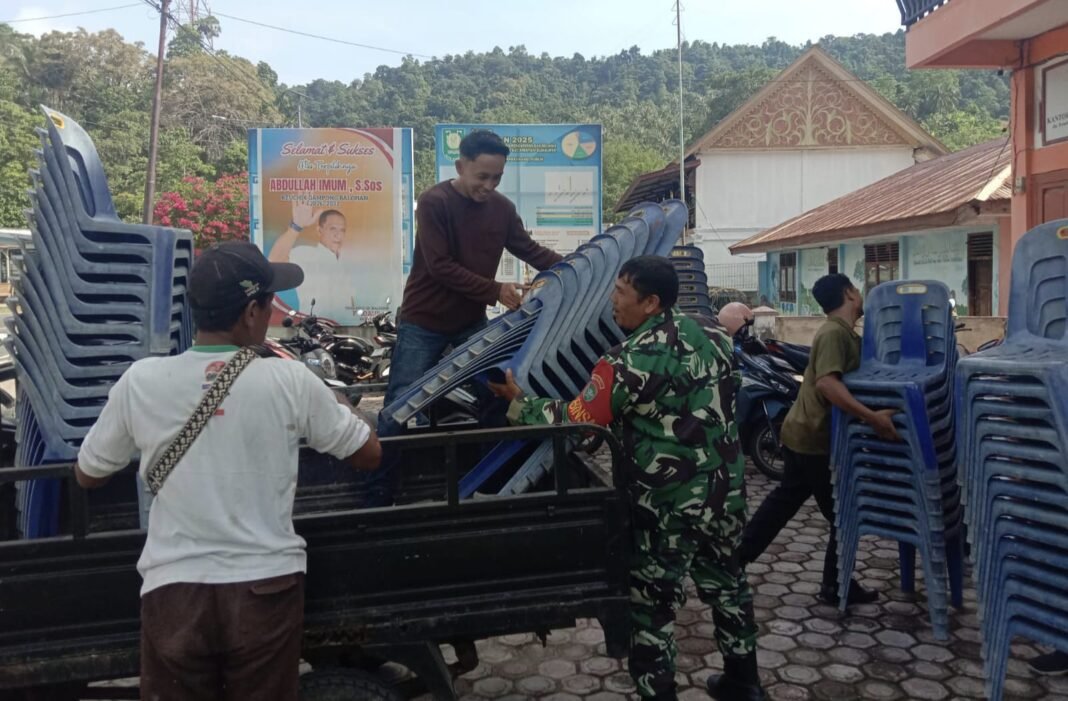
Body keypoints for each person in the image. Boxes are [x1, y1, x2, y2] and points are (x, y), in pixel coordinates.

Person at [75, 241, 381, 701]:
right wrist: (334, 398)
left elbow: (88, 475)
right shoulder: (290, 380)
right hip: (265, 591)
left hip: (174, 592)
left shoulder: (140, 381)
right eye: (268, 304)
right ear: (251, 314)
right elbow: (368, 454)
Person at [488, 256, 763, 701]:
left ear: (651, 302)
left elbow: (580, 421)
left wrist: (520, 403)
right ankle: (745, 683)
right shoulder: (714, 335)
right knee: (729, 586)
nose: (612, 301)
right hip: (724, 494)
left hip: (666, 506)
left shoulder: (625, 360)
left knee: (653, 608)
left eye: (620, 292)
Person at [369, 129, 563, 508]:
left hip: (469, 322)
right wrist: (496, 291)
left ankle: (484, 482)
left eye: (497, 178)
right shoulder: (434, 202)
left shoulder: (502, 209)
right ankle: (378, 495)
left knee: (495, 395)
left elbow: (529, 250)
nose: (488, 186)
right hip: (422, 322)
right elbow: (441, 267)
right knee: (396, 410)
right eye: (482, 176)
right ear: (461, 166)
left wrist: (577, 266)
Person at [737, 273, 898, 607]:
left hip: (802, 432)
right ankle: (835, 585)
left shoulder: (840, 333)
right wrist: (872, 417)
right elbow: (828, 384)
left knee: (783, 502)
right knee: (843, 514)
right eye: (858, 288)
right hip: (814, 438)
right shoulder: (835, 334)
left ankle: (734, 561)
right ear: (851, 293)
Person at [268, 203, 350, 313]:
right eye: (332, 229)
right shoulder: (307, 253)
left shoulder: (348, 262)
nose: (338, 235)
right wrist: (296, 227)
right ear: (319, 230)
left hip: (345, 326)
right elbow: (274, 261)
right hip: (314, 326)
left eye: (342, 230)